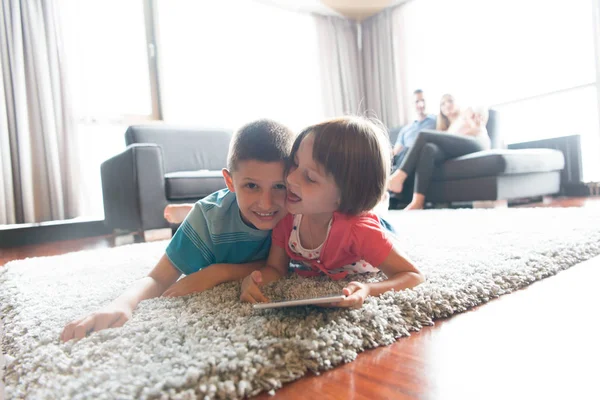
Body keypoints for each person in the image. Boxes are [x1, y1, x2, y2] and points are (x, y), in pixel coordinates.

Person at [61, 119, 296, 341]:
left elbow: (281, 266)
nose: (266, 203)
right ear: (230, 181)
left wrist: (218, 272)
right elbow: (158, 277)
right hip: (211, 213)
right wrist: (121, 304)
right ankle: (187, 212)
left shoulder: (297, 212)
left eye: (279, 186)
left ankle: (185, 211)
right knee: (202, 213)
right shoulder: (208, 219)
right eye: (251, 186)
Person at [239, 117, 425, 309]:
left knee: (381, 219)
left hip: (374, 229)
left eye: (310, 178)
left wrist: (369, 289)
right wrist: (254, 281)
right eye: (294, 164)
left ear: (345, 193)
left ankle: (382, 203)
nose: (290, 178)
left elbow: (413, 276)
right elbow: (276, 268)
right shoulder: (287, 216)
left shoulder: (360, 231)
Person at [387, 94, 491, 210]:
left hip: (477, 141)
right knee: (429, 149)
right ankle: (418, 201)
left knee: (423, 135)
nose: (447, 105)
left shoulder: (465, 114)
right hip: (459, 148)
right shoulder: (449, 127)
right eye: (443, 103)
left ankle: (399, 177)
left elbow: (480, 112)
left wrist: (473, 119)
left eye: (450, 101)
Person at [392, 89, 437, 168]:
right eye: (417, 102)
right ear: (412, 104)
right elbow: (396, 151)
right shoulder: (405, 129)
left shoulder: (435, 120)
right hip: (405, 157)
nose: (421, 104)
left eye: (423, 100)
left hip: (424, 155)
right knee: (405, 151)